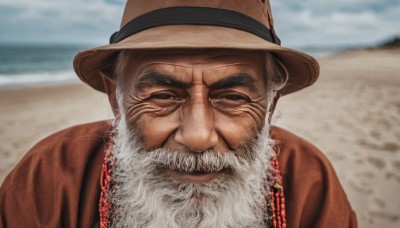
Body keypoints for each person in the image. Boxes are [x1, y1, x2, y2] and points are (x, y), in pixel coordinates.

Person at [0, 0, 357, 227]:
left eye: (232, 96)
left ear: (270, 105)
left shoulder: (310, 183)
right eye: (164, 95)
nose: (198, 137)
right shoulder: (46, 180)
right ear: (116, 98)